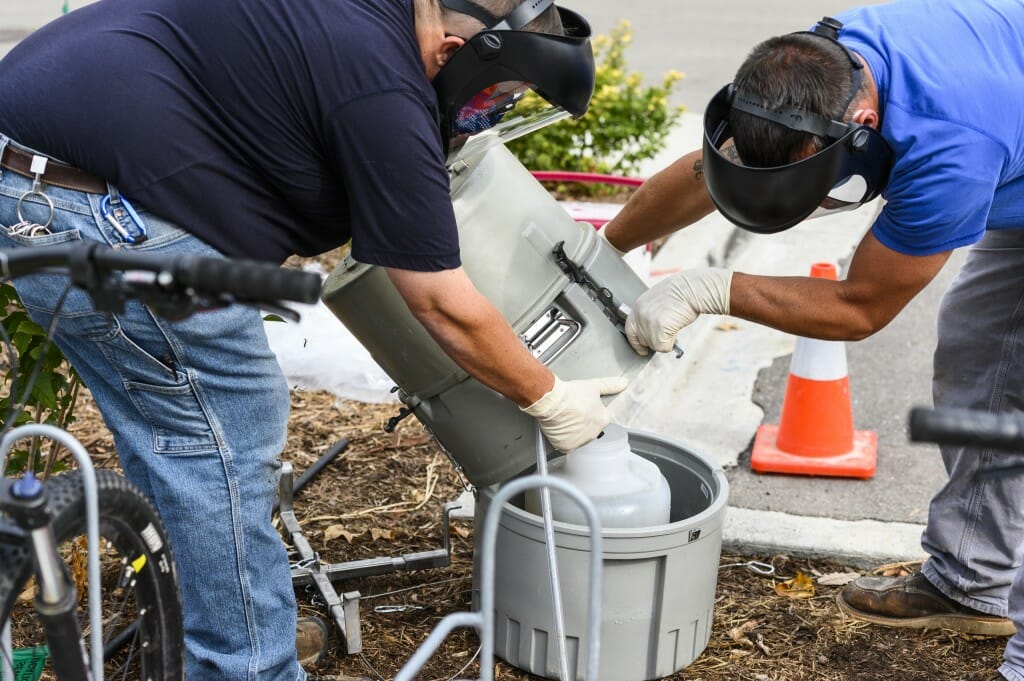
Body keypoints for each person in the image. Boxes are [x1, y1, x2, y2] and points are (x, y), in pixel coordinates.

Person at [0, 0, 623, 679]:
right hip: (88, 200)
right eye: (497, 94)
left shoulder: (378, 20)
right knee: (223, 432)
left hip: (41, 169)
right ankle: (246, 662)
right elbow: (441, 303)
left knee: (177, 431)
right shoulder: (386, 87)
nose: (490, 113)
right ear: (451, 52)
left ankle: (207, 622)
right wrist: (551, 395)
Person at [603, 2, 1024, 679]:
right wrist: (606, 252)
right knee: (985, 355)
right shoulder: (811, 73)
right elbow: (707, 172)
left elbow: (861, 306)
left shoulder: (950, 145)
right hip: (1013, 131)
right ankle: (970, 580)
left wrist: (709, 289)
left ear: (860, 126)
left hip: (992, 131)